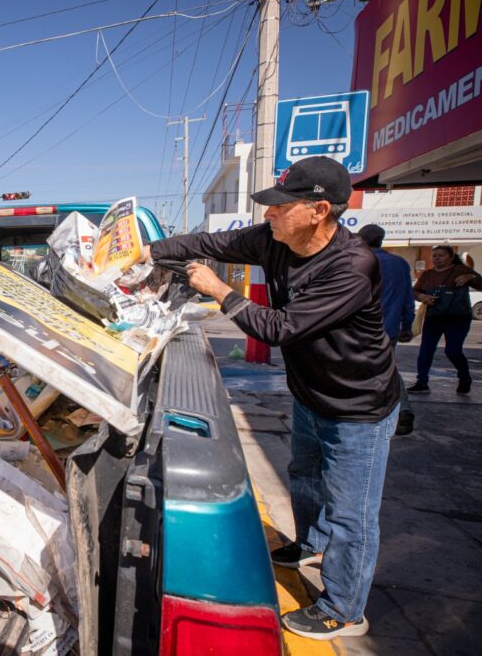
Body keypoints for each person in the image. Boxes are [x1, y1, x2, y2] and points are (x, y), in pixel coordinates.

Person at [141, 156, 399, 640]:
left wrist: (219, 290)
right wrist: (144, 252)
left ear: (318, 210)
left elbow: (281, 328)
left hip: (359, 407)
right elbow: (207, 241)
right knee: (303, 475)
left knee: (351, 510)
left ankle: (343, 609)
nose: (269, 214)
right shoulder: (273, 240)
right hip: (311, 393)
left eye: (281, 206)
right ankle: (310, 544)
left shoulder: (351, 266)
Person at [357, 224, 416, 435]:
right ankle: (400, 410)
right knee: (386, 369)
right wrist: (407, 325)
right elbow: (408, 299)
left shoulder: (357, 261)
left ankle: (394, 410)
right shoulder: (399, 264)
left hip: (360, 329)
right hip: (389, 328)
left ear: (362, 239)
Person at [407, 245, 482, 395]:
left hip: (458, 317)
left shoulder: (461, 270)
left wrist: (471, 277)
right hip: (434, 316)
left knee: (453, 350)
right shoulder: (428, 275)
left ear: (450, 257)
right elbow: (415, 291)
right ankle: (422, 382)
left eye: (441, 255)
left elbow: (480, 284)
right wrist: (423, 297)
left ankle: (464, 377)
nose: (437, 258)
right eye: (434, 255)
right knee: (426, 350)